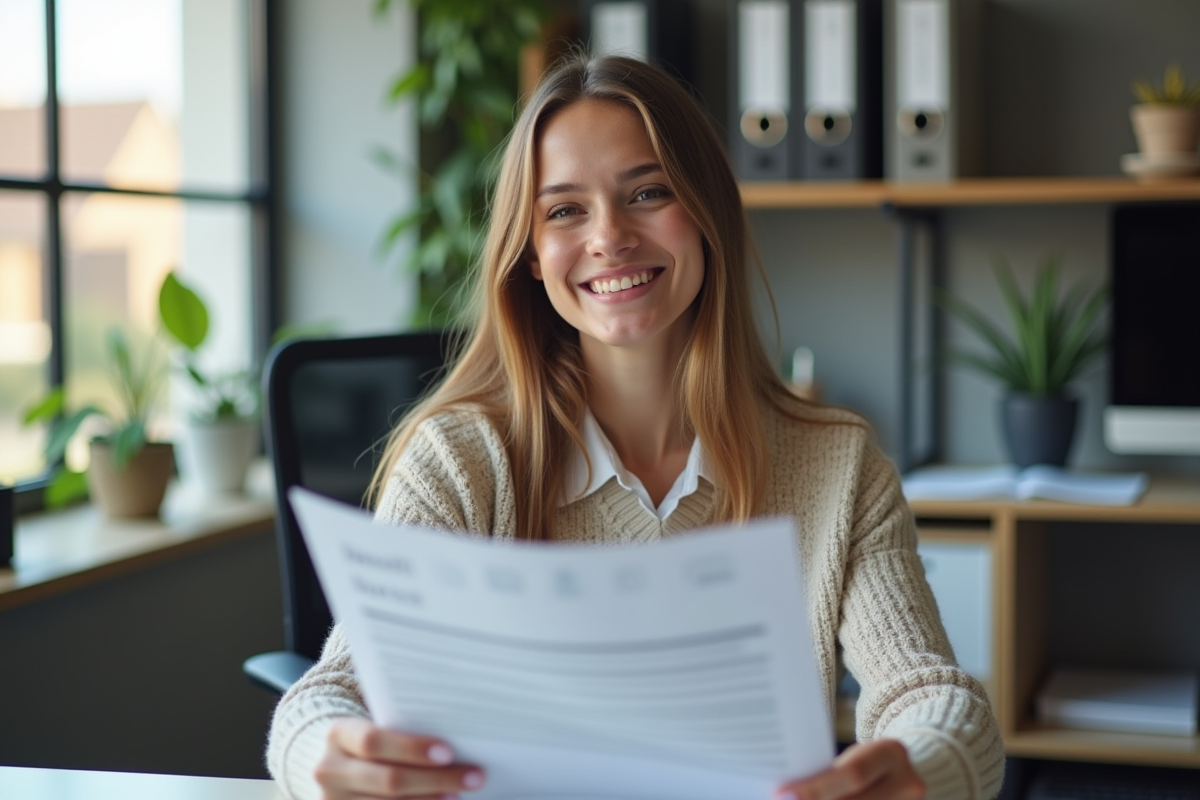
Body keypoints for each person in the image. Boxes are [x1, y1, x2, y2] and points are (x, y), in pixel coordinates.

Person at [266, 52, 1004, 800]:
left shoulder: (839, 464)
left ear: (707, 211)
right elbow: (332, 692)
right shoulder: (460, 460)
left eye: (647, 192)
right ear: (528, 252)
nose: (608, 237)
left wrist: (922, 764)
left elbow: (931, 693)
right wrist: (324, 752)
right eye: (564, 210)